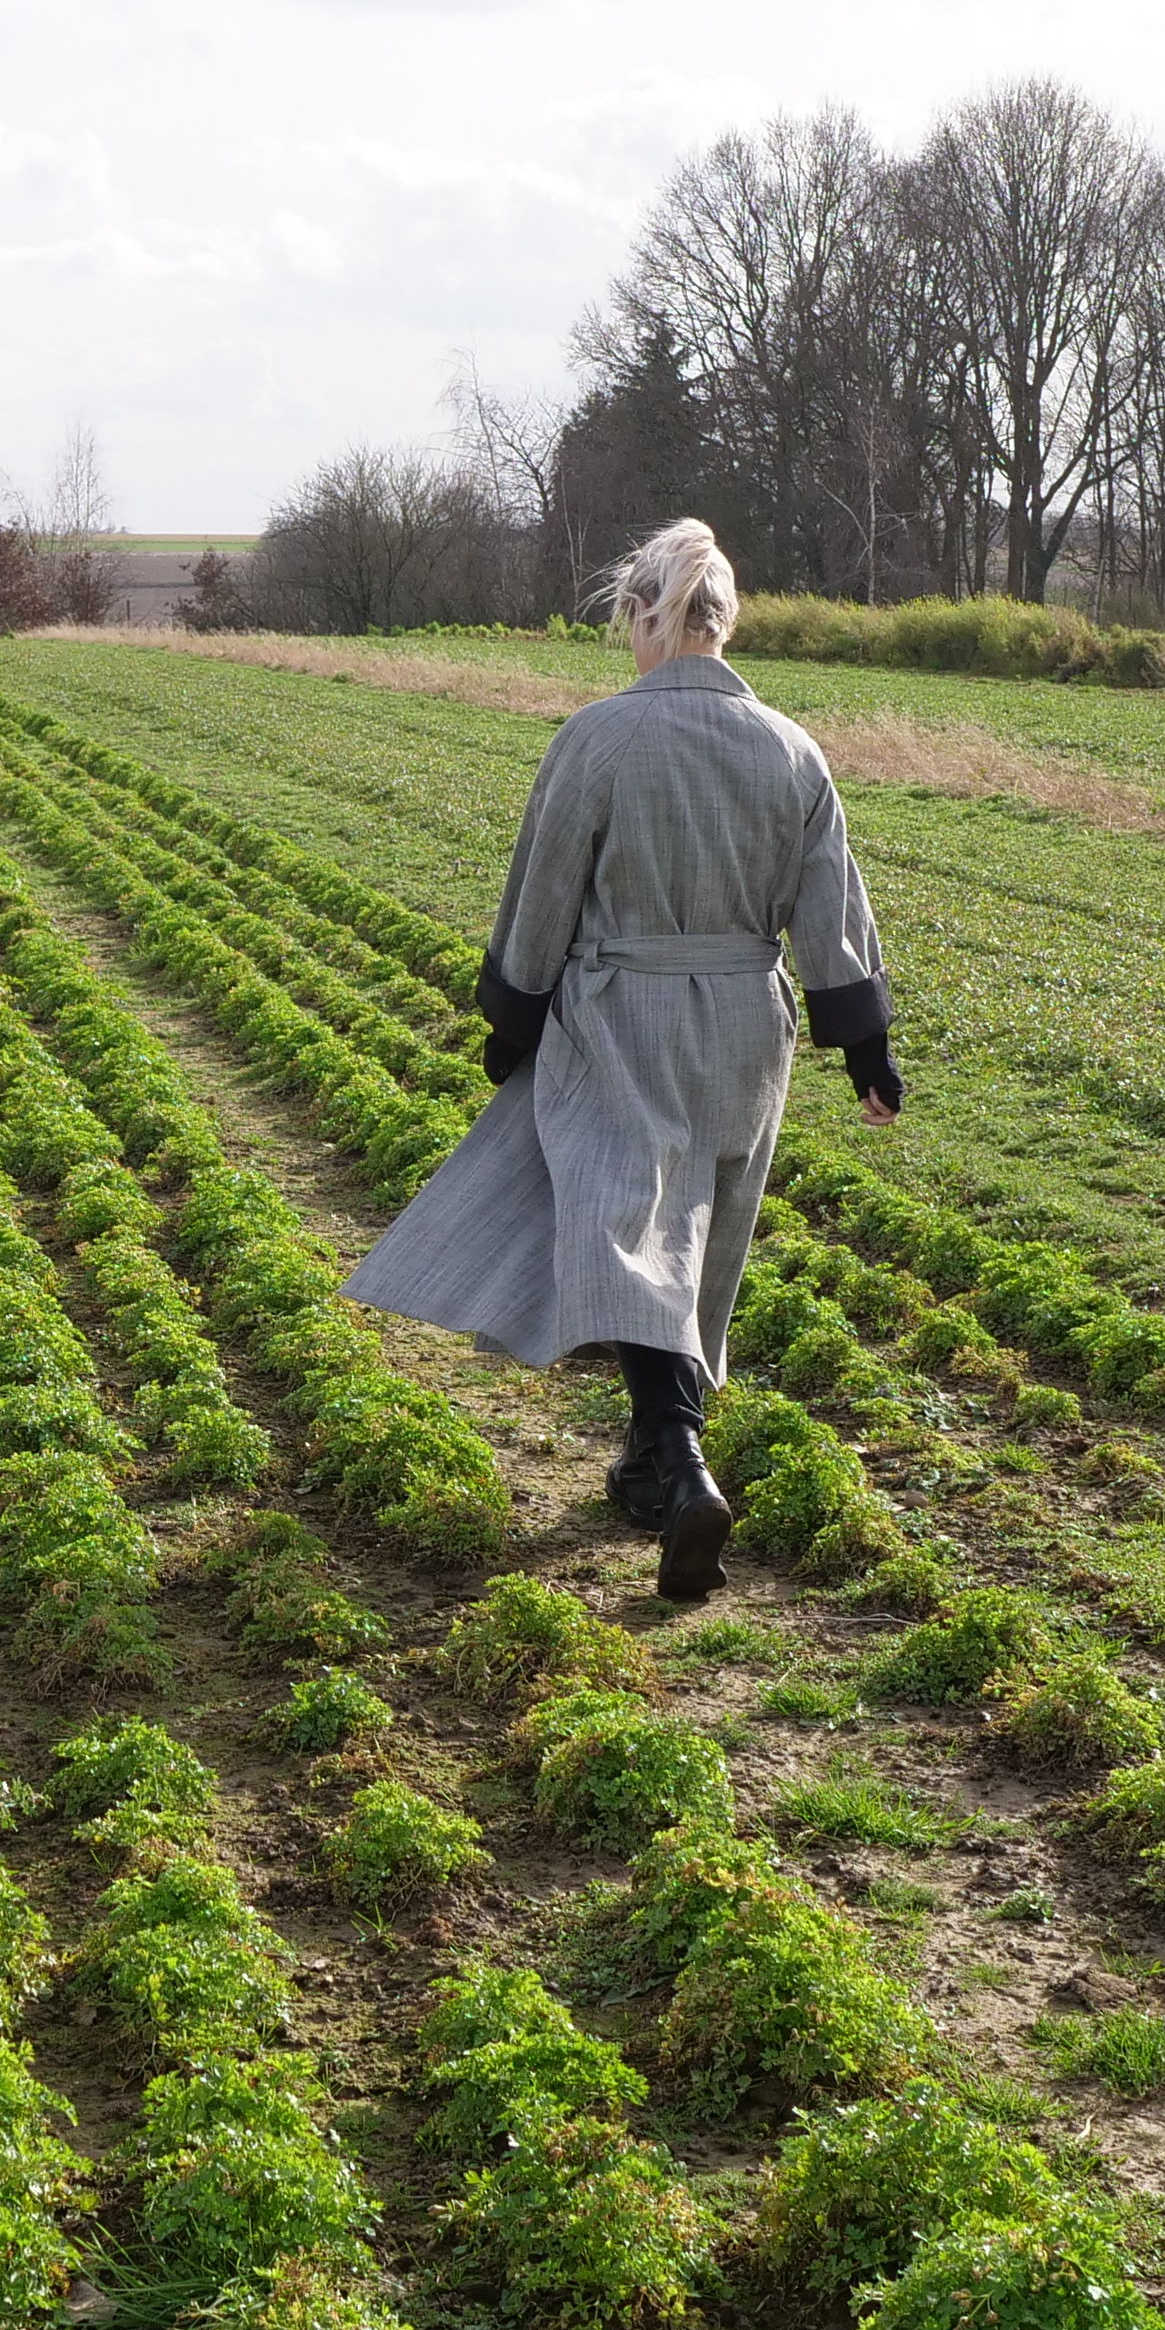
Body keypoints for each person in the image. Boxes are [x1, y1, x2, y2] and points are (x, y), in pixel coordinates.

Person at [342, 518, 900, 1601]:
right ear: (724, 621)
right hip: (747, 1026)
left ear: (648, 615)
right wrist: (865, 1046)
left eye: (628, 622)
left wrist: (513, 1020)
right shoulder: (794, 750)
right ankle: (654, 1469)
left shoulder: (596, 740)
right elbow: (833, 915)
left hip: (621, 1013)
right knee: (695, 1244)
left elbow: (544, 898)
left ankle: (681, 1464)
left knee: (632, 1234)